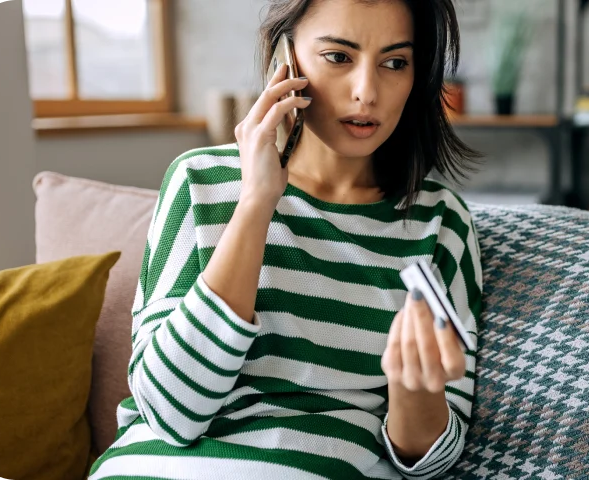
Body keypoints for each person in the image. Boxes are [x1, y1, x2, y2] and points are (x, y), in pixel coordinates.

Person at [87, 0, 483, 478]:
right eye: (338, 57)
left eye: (394, 63)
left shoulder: (438, 222)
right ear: (286, 60)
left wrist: (413, 391)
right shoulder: (200, 182)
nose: (367, 92)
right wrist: (256, 203)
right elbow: (171, 413)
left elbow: (430, 464)